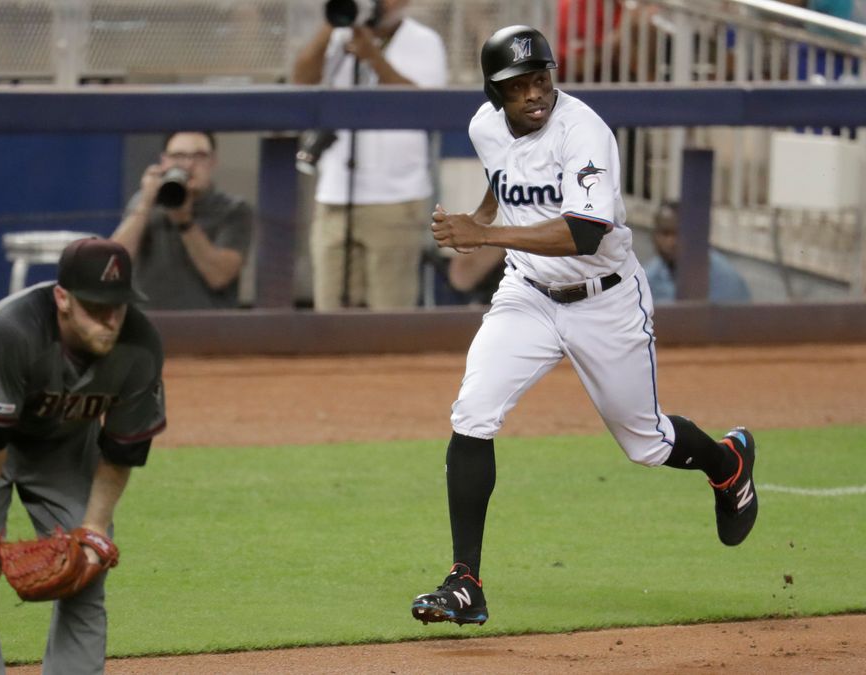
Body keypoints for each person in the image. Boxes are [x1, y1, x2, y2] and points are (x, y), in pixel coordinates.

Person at [411, 26, 759, 627]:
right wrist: (482, 215)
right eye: (517, 86)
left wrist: (483, 234)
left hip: (606, 301)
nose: (534, 94)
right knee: (473, 412)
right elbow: (505, 178)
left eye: (540, 79)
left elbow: (585, 231)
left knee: (645, 443)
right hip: (528, 293)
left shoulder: (585, 131)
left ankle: (726, 463)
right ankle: (465, 581)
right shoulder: (484, 127)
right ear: (495, 94)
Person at [0, 237, 166, 674]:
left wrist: (93, 529)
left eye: (119, 306)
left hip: (62, 433)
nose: (110, 320)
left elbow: (121, 449)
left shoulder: (141, 345)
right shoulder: (13, 330)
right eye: (96, 306)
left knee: (86, 570)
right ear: (63, 299)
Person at [291, 0, 448, 310]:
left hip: (396, 198)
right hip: (334, 194)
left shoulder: (424, 41)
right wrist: (333, 21)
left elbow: (424, 108)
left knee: (390, 318)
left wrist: (373, 57)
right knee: (329, 316)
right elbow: (301, 79)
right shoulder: (338, 37)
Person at [111, 131, 253, 310]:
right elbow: (113, 265)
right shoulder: (144, 203)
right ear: (164, 162)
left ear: (213, 162)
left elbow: (219, 276)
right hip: (147, 324)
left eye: (199, 156)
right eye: (178, 156)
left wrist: (184, 222)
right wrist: (144, 205)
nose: (188, 165)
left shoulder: (233, 209)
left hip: (209, 328)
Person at [644, 201, 751, 304]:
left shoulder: (724, 279)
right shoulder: (648, 278)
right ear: (653, 236)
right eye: (665, 234)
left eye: (679, 234)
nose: (671, 242)